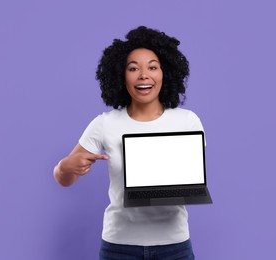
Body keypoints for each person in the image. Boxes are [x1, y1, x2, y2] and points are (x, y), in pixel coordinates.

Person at [53, 26, 204, 259]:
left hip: (174, 245)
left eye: (152, 67)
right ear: (121, 76)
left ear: (166, 72)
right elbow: (64, 178)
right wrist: (65, 167)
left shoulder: (187, 120)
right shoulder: (105, 124)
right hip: (119, 246)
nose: (144, 75)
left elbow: (189, 180)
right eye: (133, 68)